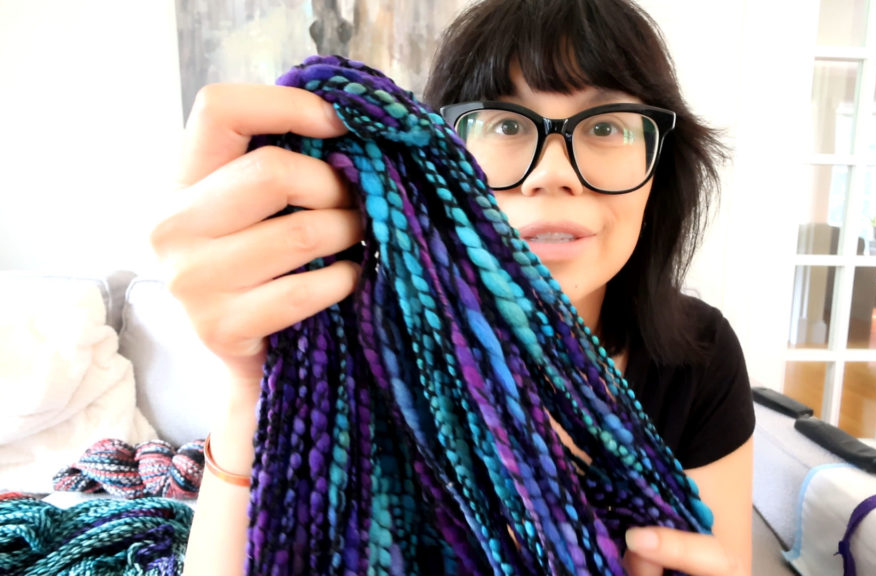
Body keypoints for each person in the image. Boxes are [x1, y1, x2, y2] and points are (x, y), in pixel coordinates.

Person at [151, 0, 756, 574]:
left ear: (661, 169)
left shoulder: (699, 356)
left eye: (607, 128)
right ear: (435, 158)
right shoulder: (350, 347)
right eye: (501, 122)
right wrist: (251, 387)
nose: (553, 173)